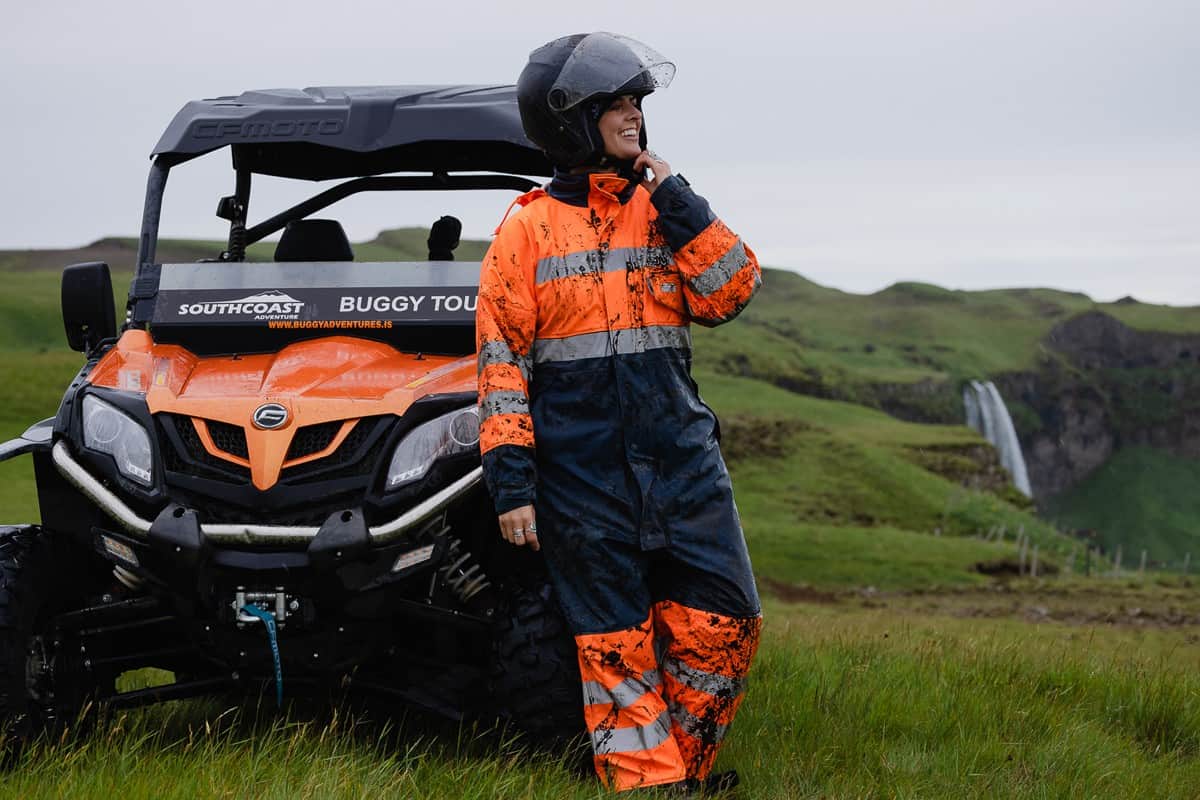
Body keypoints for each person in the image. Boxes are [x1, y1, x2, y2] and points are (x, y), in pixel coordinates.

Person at [476, 32, 763, 794]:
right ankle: (653, 786)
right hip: (583, 475)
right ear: (575, 118)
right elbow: (501, 366)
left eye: (639, 102)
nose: (636, 115)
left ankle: (683, 766)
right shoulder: (525, 229)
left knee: (724, 621)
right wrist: (512, 485)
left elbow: (731, 292)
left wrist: (678, 198)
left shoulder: (661, 209)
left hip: (682, 463)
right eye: (621, 103)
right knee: (614, 643)